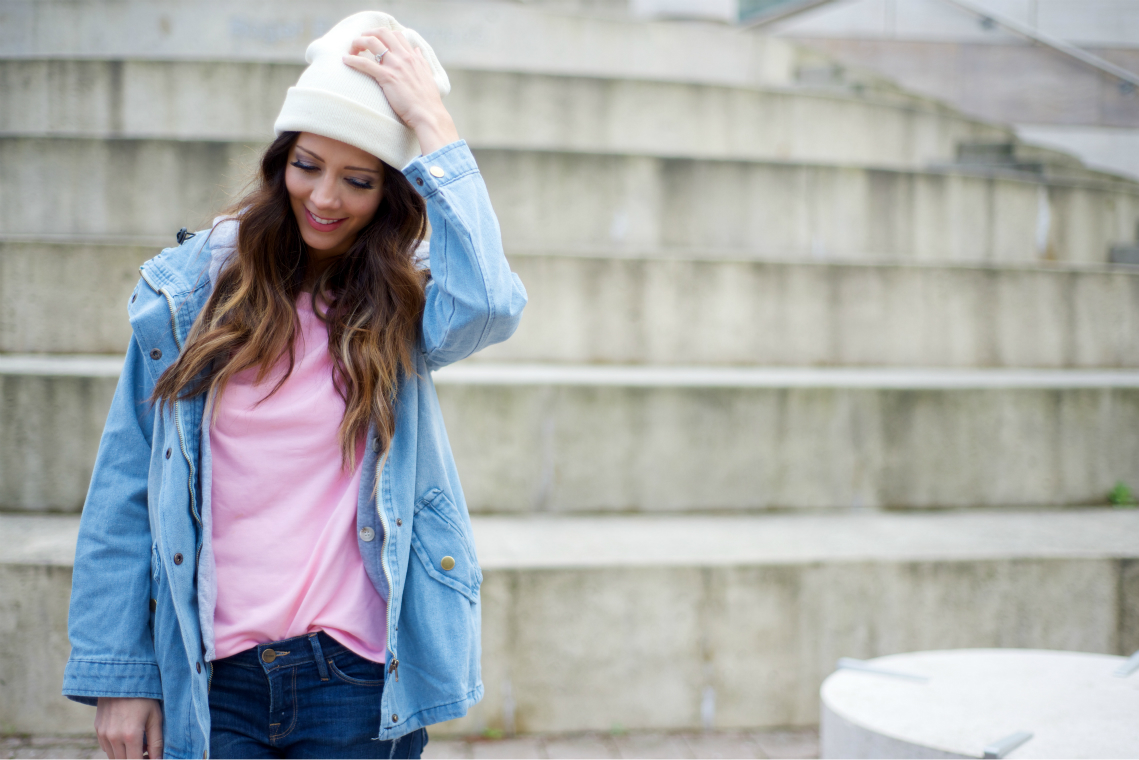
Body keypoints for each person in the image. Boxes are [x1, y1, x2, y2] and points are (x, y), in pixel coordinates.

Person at [62, 11, 526, 759]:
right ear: (281, 157)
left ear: (390, 191)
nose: (327, 198)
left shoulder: (398, 309)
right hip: (212, 675)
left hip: (353, 676)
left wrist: (430, 122)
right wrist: (122, 674)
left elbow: (491, 303)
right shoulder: (188, 296)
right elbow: (123, 488)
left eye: (360, 179)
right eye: (308, 164)